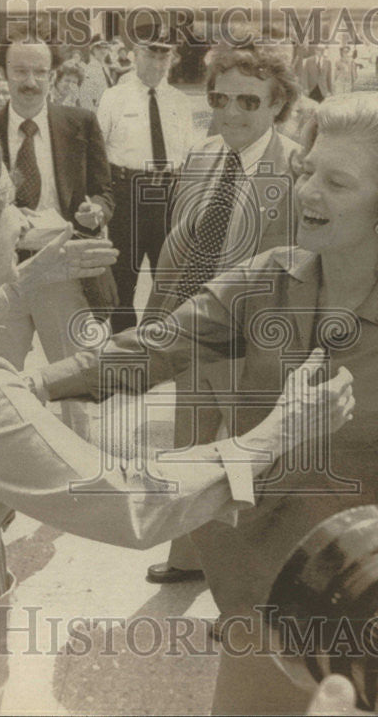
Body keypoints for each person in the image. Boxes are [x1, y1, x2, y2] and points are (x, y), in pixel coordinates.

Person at [0, 104, 354, 715]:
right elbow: (123, 500)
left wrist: (21, 282)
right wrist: (269, 439)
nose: (22, 224)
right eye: (7, 209)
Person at [40, 92, 378, 714]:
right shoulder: (264, 280)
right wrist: (37, 386)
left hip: (354, 621)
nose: (308, 191)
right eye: (307, 170)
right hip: (251, 596)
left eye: (336, 181)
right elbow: (154, 345)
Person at [145, 39, 303, 585]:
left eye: (249, 101)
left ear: (279, 103)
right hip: (194, 334)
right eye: (221, 98)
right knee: (190, 452)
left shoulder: (299, 167)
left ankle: (250, 585)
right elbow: (180, 245)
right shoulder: (202, 155)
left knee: (247, 465)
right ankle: (189, 557)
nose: (231, 112)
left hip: (255, 348)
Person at [0, 31, 116, 439]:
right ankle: (9, 457)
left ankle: (81, 464)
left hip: (62, 270)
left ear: (53, 74)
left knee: (71, 376)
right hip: (1, 272)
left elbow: (105, 190)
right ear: (3, 72)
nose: (29, 81)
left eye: (40, 72)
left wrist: (96, 211)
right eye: (20, 70)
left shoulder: (79, 122)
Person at [96, 24, 196, 332]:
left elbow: (189, 154)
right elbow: (98, 156)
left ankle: (164, 347)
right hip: (128, 194)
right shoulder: (114, 98)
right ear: (135, 55)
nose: (157, 63)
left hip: (170, 194)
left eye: (164, 56)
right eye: (150, 54)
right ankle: (123, 350)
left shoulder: (180, 101)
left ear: (172, 59)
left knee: (171, 279)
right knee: (123, 279)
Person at [79, 34, 114, 110]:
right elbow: (85, 98)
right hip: (97, 111)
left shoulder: (105, 68)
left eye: (106, 47)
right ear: (92, 49)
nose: (103, 50)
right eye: (98, 48)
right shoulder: (89, 69)